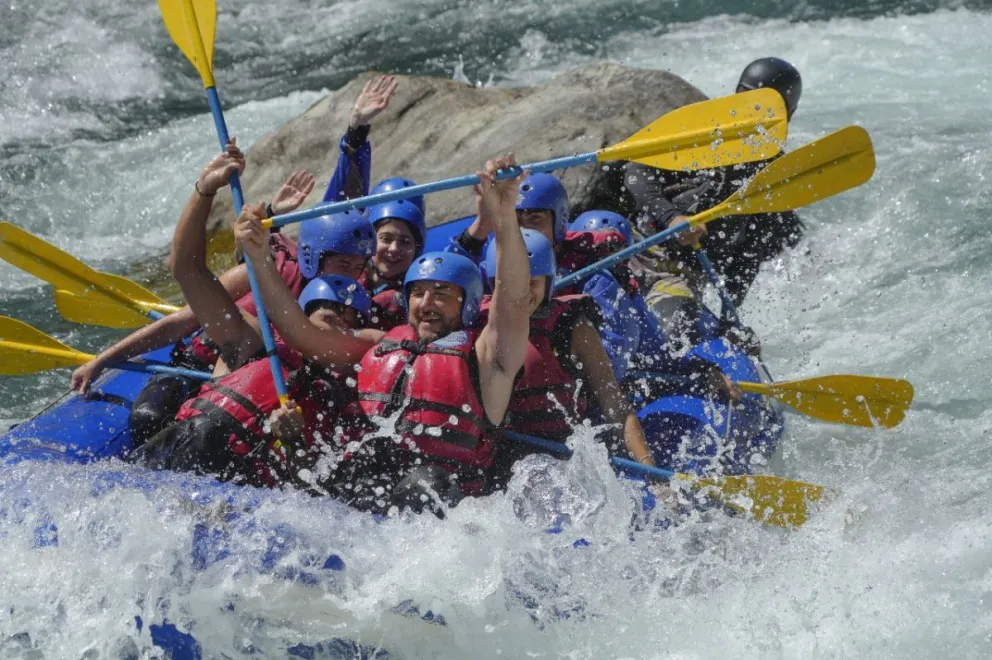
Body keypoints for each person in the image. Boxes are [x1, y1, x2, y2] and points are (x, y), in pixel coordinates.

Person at [232, 154, 534, 514]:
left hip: (440, 512)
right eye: (419, 293)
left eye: (441, 293)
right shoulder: (379, 343)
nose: (427, 303)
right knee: (333, 465)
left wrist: (503, 218)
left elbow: (513, 300)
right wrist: (259, 256)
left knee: (424, 483)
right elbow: (302, 334)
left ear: (467, 304)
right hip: (370, 502)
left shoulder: (488, 361)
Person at [617, 57, 805, 343]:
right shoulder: (701, 132)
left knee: (678, 330)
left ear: (787, 116)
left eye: (771, 108)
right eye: (751, 101)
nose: (759, 114)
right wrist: (672, 217)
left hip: (679, 276)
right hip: (641, 246)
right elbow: (635, 172)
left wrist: (729, 321)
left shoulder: (771, 178)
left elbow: (747, 259)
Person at [479, 228, 657, 487]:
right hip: (504, 455)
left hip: (566, 453)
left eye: (532, 282)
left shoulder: (573, 328)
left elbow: (615, 407)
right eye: (511, 281)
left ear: (548, 283)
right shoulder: (476, 329)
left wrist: (651, 472)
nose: (520, 292)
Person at [364, 197, 426, 330]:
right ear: (370, 242)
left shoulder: (421, 292)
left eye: (405, 242)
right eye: (386, 239)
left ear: (416, 250)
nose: (394, 248)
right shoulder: (348, 275)